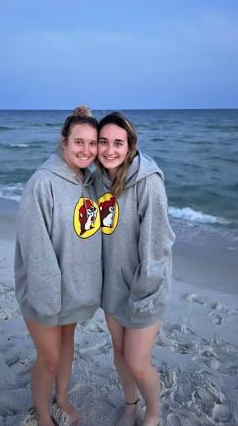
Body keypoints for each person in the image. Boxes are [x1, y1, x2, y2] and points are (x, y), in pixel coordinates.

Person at [14, 106, 102, 426]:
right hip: (44, 290)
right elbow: (35, 247)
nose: (86, 150)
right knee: (49, 357)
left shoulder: (92, 182)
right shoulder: (42, 183)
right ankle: (41, 411)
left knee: (67, 344)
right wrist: (49, 299)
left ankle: (61, 397)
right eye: (79, 142)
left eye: (93, 143)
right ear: (63, 142)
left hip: (74, 288)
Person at [95, 112, 175, 426]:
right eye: (104, 142)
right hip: (113, 285)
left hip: (146, 287)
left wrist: (144, 296)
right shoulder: (98, 178)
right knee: (119, 352)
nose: (110, 150)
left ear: (131, 146)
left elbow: (157, 246)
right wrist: (82, 121)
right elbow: (69, 153)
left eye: (118, 143)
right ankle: (131, 404)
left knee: (138, 362)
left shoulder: (148, 183)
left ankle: (153, 413)